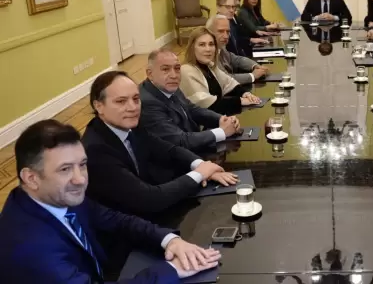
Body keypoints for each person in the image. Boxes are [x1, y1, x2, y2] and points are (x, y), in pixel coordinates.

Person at [0, 119, 221, 283]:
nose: (80, 179)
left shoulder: (54, 195)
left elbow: (115, 219)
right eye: (65, 169)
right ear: (31, 178)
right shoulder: (34, 250)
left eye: (83, 164)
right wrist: (171, 270)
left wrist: (169, 240)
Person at [82, 71, 239, 222]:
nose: (132, 107)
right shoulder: (96, 150)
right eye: (121, 101)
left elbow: (167, 149)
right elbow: (149, 199)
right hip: (126, 232)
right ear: (99, 106)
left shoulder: (129, 124)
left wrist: (202, 165)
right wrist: (199, 174)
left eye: (136, 99)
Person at [139, 48, 241, 153]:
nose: (174, 75)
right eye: (165, 69)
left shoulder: (166, 85)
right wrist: (222, 132)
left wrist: (221, 119)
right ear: (150, 74)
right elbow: (179, 140)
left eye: (177, 68)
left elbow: (191, 109)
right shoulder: (148, 103)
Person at [180, 27, 262, 116]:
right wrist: (241, 101)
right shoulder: (186, 71)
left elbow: (229, 83)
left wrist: (246, 94)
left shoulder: (209, 65)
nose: (208, 49)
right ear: (192, 48)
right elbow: (208, 105)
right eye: (202, 45)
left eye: (211, 44)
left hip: (218, 119)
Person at [206, 14, 269, 85]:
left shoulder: (220, 47)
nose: (226, 36)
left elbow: (236, 59)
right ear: (209, 32)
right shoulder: (207, 53)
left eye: (228, 31)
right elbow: (225, 79)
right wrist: (253, 76)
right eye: (221, 31)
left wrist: (255, 66)